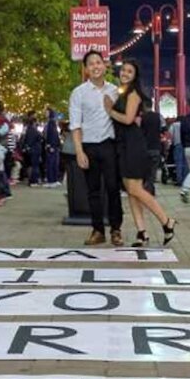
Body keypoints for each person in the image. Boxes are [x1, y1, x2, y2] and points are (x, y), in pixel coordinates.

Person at [104, 59, 177, 246]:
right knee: (130, 191)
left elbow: (128, 119)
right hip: (123, 144)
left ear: (135, 75)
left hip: (133, 144)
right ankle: (142, 232)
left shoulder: (133, 93)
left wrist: (109, 110)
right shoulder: (122, 93)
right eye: (123, 70)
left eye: (130, 71)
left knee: (136, 189)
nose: (125, 73)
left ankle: (166, 222)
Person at [69, 50, 123, 245]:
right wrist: (79, 151)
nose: (95, 67)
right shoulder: (78, 93)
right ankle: (98, 230)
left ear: (104, 65)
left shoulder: (114, 91)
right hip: (88, 146)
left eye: (98, 62)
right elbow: (75, 124)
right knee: (92, 191)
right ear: (86, 69)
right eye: (91, 64)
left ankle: (116, 230)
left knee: (112, 188)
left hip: (109, 145)